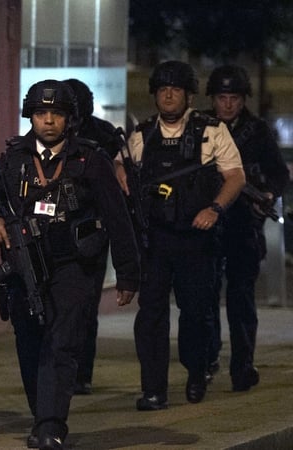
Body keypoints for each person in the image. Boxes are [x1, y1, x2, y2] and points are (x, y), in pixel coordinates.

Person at [0, 80, 140, 450]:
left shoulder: (90, 160)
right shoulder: (13, 157)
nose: (48, 121)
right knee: (29, 343)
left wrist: (128, 275)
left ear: (69, 119)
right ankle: (40, 415)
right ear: (30, 116)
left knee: (61, 343)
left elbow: (117, 219)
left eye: (56, 114)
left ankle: (51, 424)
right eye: (41, 114)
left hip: (73, 268)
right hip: (24, 266)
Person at [114, 61, 245, 411]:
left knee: (196, 313)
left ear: (189, 95)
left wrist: (214, 209)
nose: (168, 94)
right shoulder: (141, 135)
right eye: (162, 89)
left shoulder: (211, 131)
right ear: (155, 94)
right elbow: (119, 167)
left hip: (195, 238)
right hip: (155, 239)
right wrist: (123, 180)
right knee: (151, 316)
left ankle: (197, 370)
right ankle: (153, 389)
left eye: (175, 89)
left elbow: (235, 176)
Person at [203, 64, 289, 391]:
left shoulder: (257, 131)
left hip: (242, 225)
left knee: (241, 300)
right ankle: (208, 359)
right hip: (208, 222)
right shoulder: (202, 126)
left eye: (234, 98)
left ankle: (243, 365)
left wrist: (266, 193)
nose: (227, 104)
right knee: (204, 297)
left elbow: (279, 174)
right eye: (222, 97)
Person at [62, 78, 126, 395]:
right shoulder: (47, 133)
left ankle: (81, 372)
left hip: (92, 232)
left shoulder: (104, 136)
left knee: (86, 305)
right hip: (55, 230)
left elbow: (120, 184)